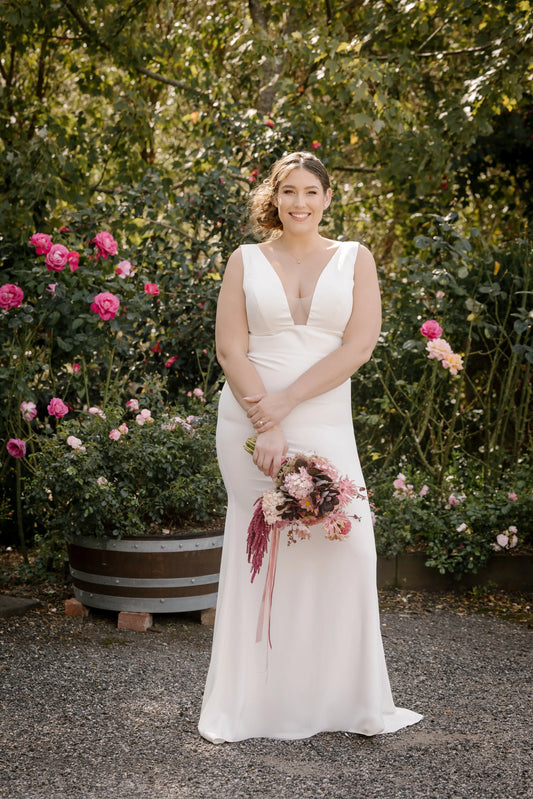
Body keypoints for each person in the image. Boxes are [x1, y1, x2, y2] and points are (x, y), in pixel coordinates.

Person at [198, 151, 422, 742]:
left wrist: (287, 403)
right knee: (262, 551)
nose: (300, 202)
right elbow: (230, 349)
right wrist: (265, 420)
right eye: (289, 191)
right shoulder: (245, 260)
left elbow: (358, 346)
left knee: (346, 549)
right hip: (248, 418)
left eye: (311, 192)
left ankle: (337, 702)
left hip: (322, 416)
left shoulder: (355, 258)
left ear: (327, 198)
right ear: (274, 198)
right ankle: (256, 706)